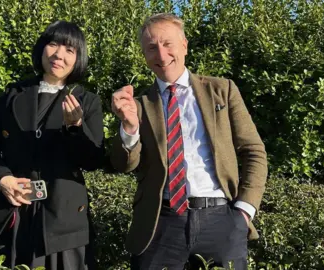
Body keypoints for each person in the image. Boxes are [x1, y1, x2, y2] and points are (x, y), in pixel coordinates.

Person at [110, 13, 267, 270]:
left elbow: (253, 151)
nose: (161, 55)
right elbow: (124, 164)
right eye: (151, 48)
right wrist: (128, 126)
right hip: (160, 224)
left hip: (221, 222)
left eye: (167, 43)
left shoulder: (222, 90)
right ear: (144, 55)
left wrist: (244, 212)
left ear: (184, 45)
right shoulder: (138, 105)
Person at [0, 20, 103, 270]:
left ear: (78, 58)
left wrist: (75, 127)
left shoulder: (87, 101)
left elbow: (93, 159)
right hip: (14, 209)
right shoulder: (14, 93)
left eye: (69, 50)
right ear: (42, 48)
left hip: (63, 219)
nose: (58, 55)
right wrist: (2, 179)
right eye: (53, 44)